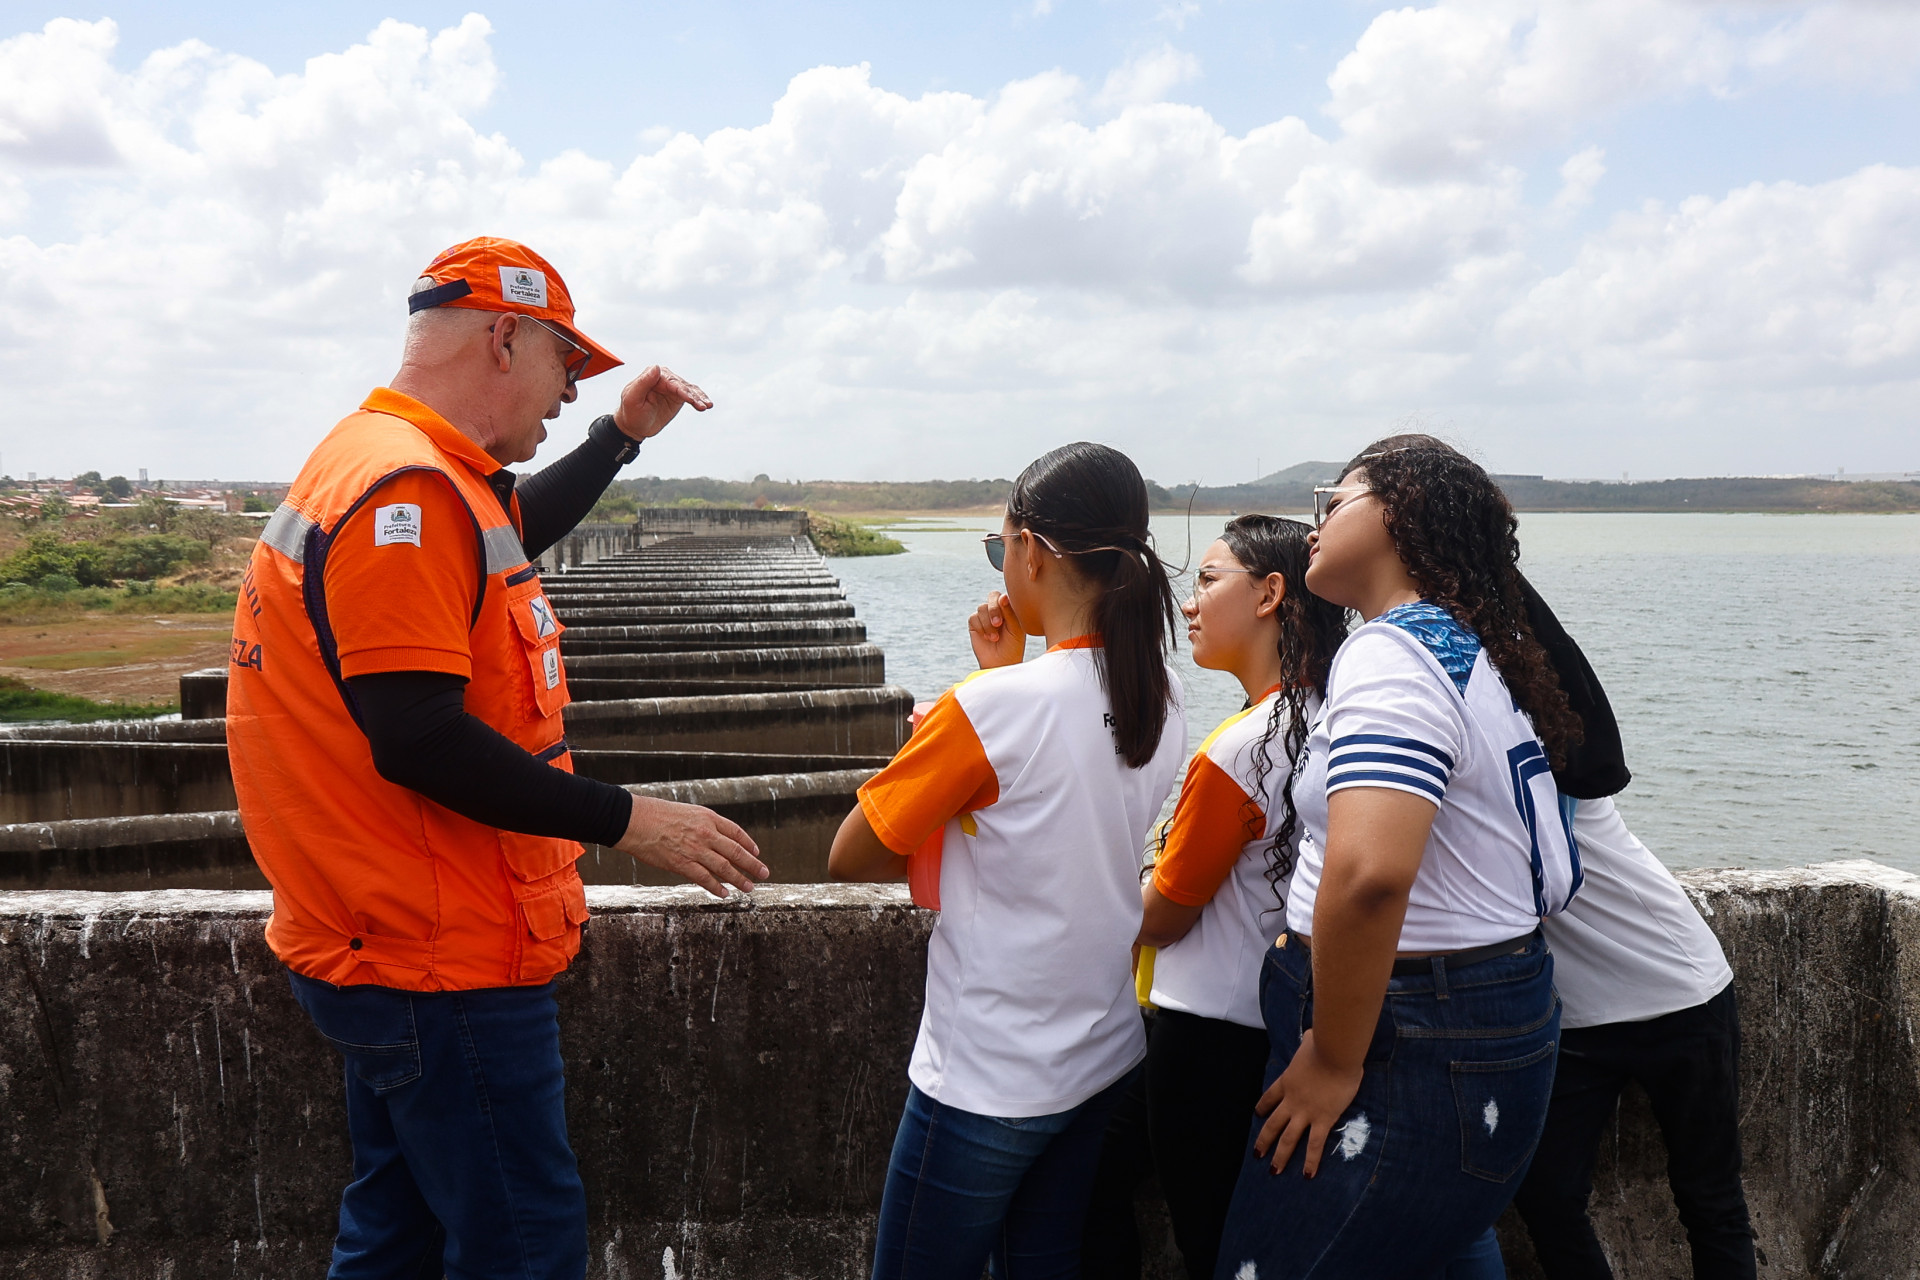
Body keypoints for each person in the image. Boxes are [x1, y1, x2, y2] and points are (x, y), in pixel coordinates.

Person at [226, 236, 769, 1280]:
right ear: (506, 334)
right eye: (570, 367)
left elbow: (510, 526)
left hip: (379, 937)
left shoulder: (390, 462)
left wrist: (619, 436)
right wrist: (630, 818)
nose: (570, 394)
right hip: (444, 958)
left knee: (394, 1233)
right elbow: (417, 734)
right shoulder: (410, 494)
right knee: (521, 1244)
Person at [1215, 434, 1585, 1280]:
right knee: (1444, 1243)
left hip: (1409, 1035)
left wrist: (1334, 1059)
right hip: (1491, 1011)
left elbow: (1370, 873)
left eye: (1333, 501)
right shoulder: (1467, 648)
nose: (1313, 524)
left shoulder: (1390, 653)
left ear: (1398, 513)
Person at [828, 442, 1189, 1280]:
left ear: (1034, 551)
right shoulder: (1159, 694)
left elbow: (854, 850)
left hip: (988, 1075)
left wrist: (983, 696)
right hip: (1100, 1053)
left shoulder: (990, 710)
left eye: (1000, 548)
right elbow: (1061, 808)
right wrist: (1001, 682)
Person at [1082, 516, 1347, 1280]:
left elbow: (1164, 911)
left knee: (1206, 1238)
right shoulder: (1331, 717)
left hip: (1203, 1037)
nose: (1189, 603)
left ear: (1270, 593)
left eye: (1206, 579)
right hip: (1276, 1020)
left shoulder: (1239, 746)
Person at [1511, 583, 1757, 1280]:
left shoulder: (1548, 765)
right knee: (1546, 1196)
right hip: (1580, 1021)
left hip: (1681, 995)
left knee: (1710, 1199)